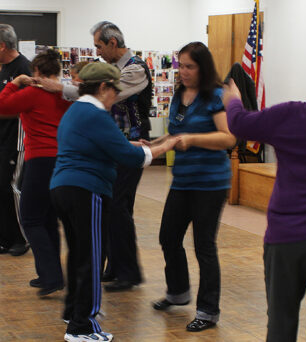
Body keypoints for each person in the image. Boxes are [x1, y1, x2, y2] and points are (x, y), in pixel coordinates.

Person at [223, 50, 306, 342]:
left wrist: (232, 100)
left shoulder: (294, 114)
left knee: (281, 322)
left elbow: (240, 124)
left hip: (288, 236)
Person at [49, 62, 178, 342]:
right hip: (86, 189)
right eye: (114, 91)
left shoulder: (77, 111)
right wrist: (163, 147)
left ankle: (74, 312)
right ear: (103, 87)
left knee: (80, 255)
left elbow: (106, 145)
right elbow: (129, 158)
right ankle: (83, 327)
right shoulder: (95, 114)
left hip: (65, 188)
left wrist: (139, 144)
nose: (116, 97)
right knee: (93, 257)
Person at [35, 21, 153, 292]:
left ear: (113, 43)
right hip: (113, 142)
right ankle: (115, 267)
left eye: (99, 46)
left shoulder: (135, 69)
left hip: (129, 141)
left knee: (119, 207)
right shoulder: (116, 69)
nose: (98, 52)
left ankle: (127, 272)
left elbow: (104, 93)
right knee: (112, 205)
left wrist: (60, 89)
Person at [150, 42, 236, 332]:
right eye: (181, 66)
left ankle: (208, 311)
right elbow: (174, 135)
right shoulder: (178, 96)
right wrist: (153, 145)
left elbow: (228, 138)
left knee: (204, 246)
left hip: (210, 184)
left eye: (190, 66)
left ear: (203, 67)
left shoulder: (215, 96)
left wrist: (194, 139)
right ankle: (178, 293)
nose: (183, 72)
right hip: (182, 181)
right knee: (168, 237)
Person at [0, 49, 71, 295]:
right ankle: (50, 275)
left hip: (40, 160)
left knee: (30, 218)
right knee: (48, 219)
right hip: (61, 161)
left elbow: (1, 106)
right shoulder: (65, 95)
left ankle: (51, 276)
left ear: (37, 72)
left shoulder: (32, 93)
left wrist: (15, 84)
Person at [0, 24, 31, 256]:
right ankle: (5, 237)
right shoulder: (4, 69)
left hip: (18, 140)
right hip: (3, 137)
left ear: (2, 46)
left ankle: (21, 238)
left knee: (12, 188)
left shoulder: (24, 69)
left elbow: (23, 107)